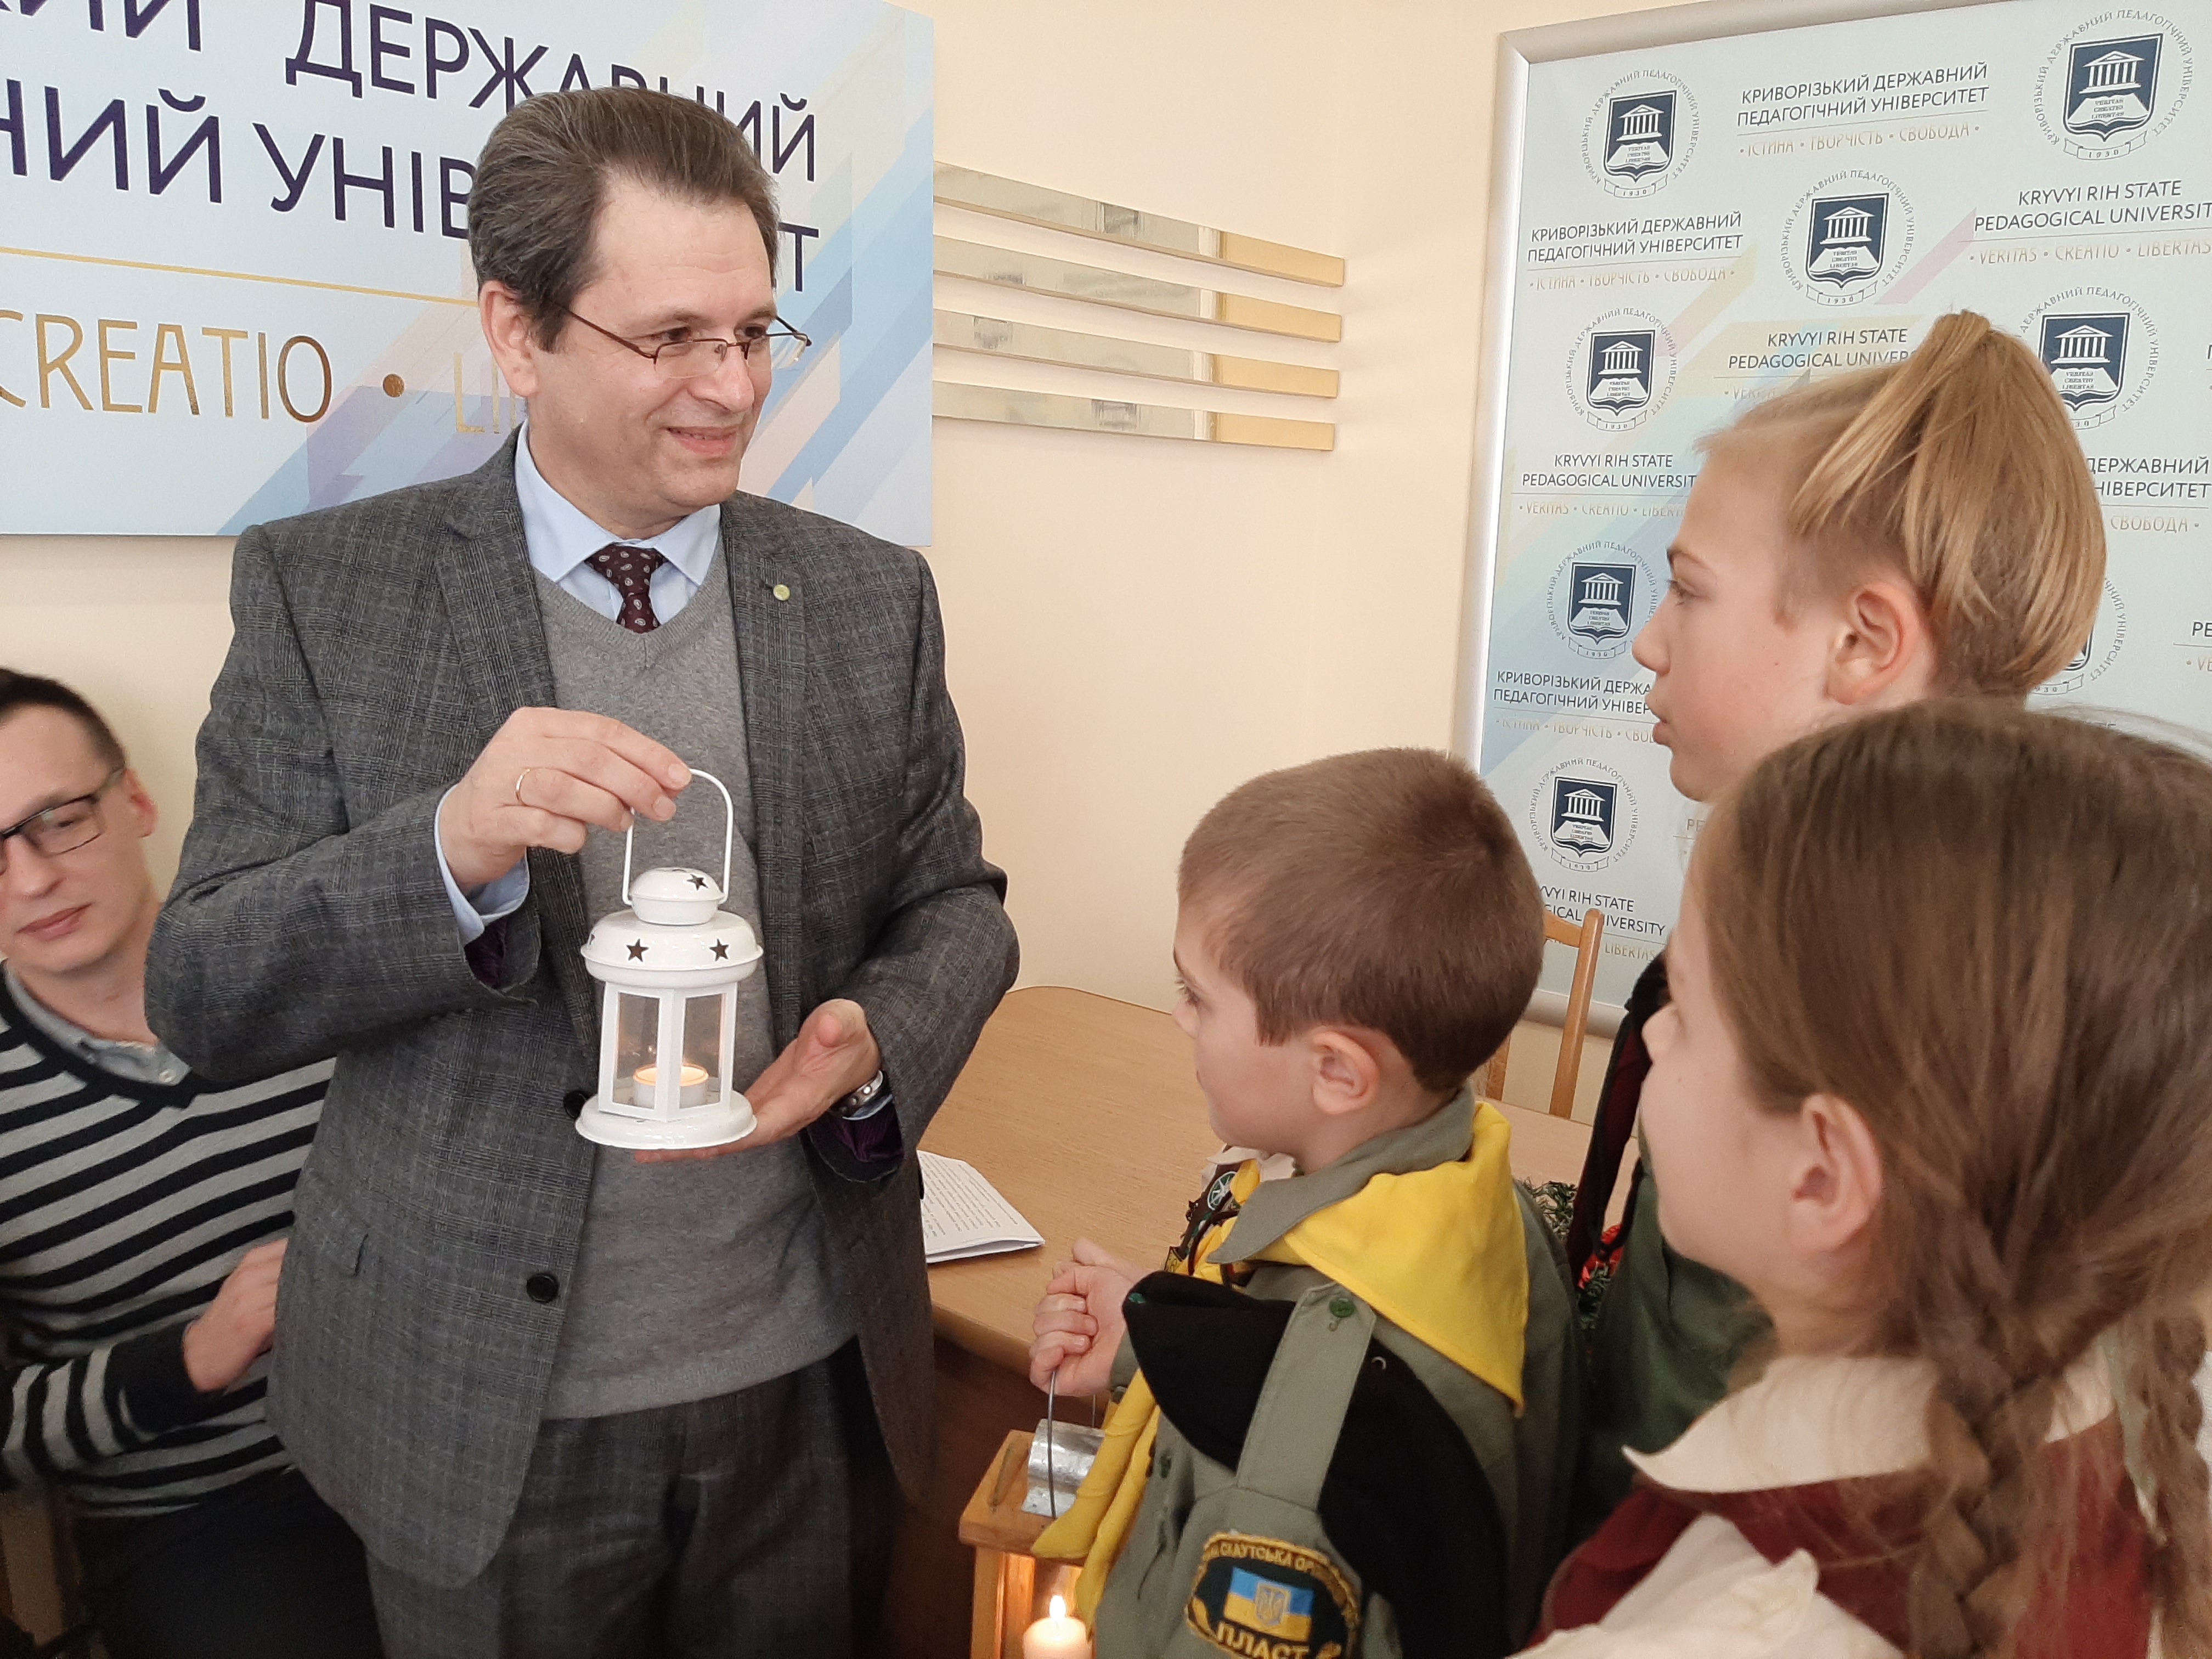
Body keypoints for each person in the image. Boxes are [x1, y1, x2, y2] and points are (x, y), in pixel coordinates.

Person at [144, 88, 1017, 1657]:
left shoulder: (868, 597)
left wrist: (875, 1033)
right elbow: (205, 984)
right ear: (518, 330)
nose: (731, 387)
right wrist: (448, 847)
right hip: (480, 1409)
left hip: (806, 1376)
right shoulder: (330, 593)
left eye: (752, 332)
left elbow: (957, 901)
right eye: (671, 337)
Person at [1564, 311, 2106, 1521]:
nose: (1648, 642)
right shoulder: (1978, 925)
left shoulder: (1826, 975)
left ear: (1863, 642)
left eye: (1689, 591)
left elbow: (1709, 1408)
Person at [1528, 701, 2212, 1656]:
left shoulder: (1701, 1635)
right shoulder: (2124, 1491)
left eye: (1684, 1007)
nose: (1655, 1034)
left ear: (1820, 1176)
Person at [1026, 748, 1581, 1655]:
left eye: (1199, 997)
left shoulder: (1293, 1463)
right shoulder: (1488, 1207)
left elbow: (1312, 1422)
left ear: (1337, 1071)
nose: (1180, 1017)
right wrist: (1157, 1349)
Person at [0, 671, 380, 1659]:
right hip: (204, 1517)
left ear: (134, 800)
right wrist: (192, 1356)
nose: (31, 881)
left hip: (443, 1440)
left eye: (59, 821)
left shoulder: (312, 968)